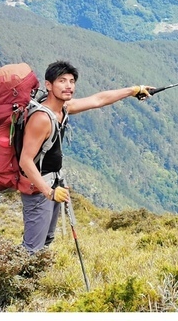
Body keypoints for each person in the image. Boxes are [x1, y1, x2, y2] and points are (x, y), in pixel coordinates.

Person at [18, 60, 154, 254]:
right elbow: (25, 160)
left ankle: (34, 279)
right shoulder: (41, 119)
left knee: (46, 241)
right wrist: (49, 192)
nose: (68, 86)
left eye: (72, 81)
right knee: (32, 248)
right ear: (48, 85)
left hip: (54, 183)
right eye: (62, 81)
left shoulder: (63, 109)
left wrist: (133, 90)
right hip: (38, 188)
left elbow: (98, 100)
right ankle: (10, 280)